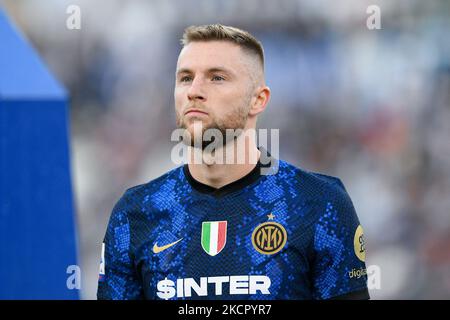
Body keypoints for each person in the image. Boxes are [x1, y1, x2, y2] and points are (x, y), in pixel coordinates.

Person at [97, 24, 369, 300]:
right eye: (185, 78)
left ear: (258, 100)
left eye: (217, 78)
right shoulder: (135, 213)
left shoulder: (320, 204)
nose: (194, 91)